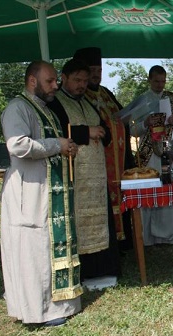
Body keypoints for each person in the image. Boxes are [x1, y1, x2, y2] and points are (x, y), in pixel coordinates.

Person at [0, 61, 82, 326]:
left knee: (48, 246)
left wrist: (66, 147)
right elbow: (18, 145)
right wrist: (56, 144)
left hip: (48, 192)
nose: (55, 85)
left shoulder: (44, 109)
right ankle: (37, 311)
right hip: (29, 193)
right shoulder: (17, 108)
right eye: (49, 81)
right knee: (32, 250)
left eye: (55, 80)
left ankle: (59, 305)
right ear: (32, 81)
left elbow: (53, 147)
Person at [48, 58, 120, 280]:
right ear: (64, 78)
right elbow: (54, 132)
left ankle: (103, 270)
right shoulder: (54, 103)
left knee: (100, 222)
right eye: (77, 80)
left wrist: (101, 132)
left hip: (96, 176)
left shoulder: (88, 102)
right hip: (74, 175)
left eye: (85, 81)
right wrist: (85, 132)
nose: (81, 85)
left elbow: (105, 130)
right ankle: (82, 271)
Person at [73, 47, 135, 250]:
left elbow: (121, 116)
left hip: (119, 161)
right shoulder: (79, 97)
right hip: (96, 164)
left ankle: (123, 244)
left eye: (99, 69)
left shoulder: (106, 93)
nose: (96, 74)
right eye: (91, 69)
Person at [128, 65, 173, 246]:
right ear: (149, 80)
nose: (160, 85)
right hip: (149, 153)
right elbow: (132, 130)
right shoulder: (142, 101)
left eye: (163, 81)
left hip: (170, 150)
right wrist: (145, 122)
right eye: (156, 81)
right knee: (151, 191)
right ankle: (148, 236)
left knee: (169, 188)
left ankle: (169, 235)